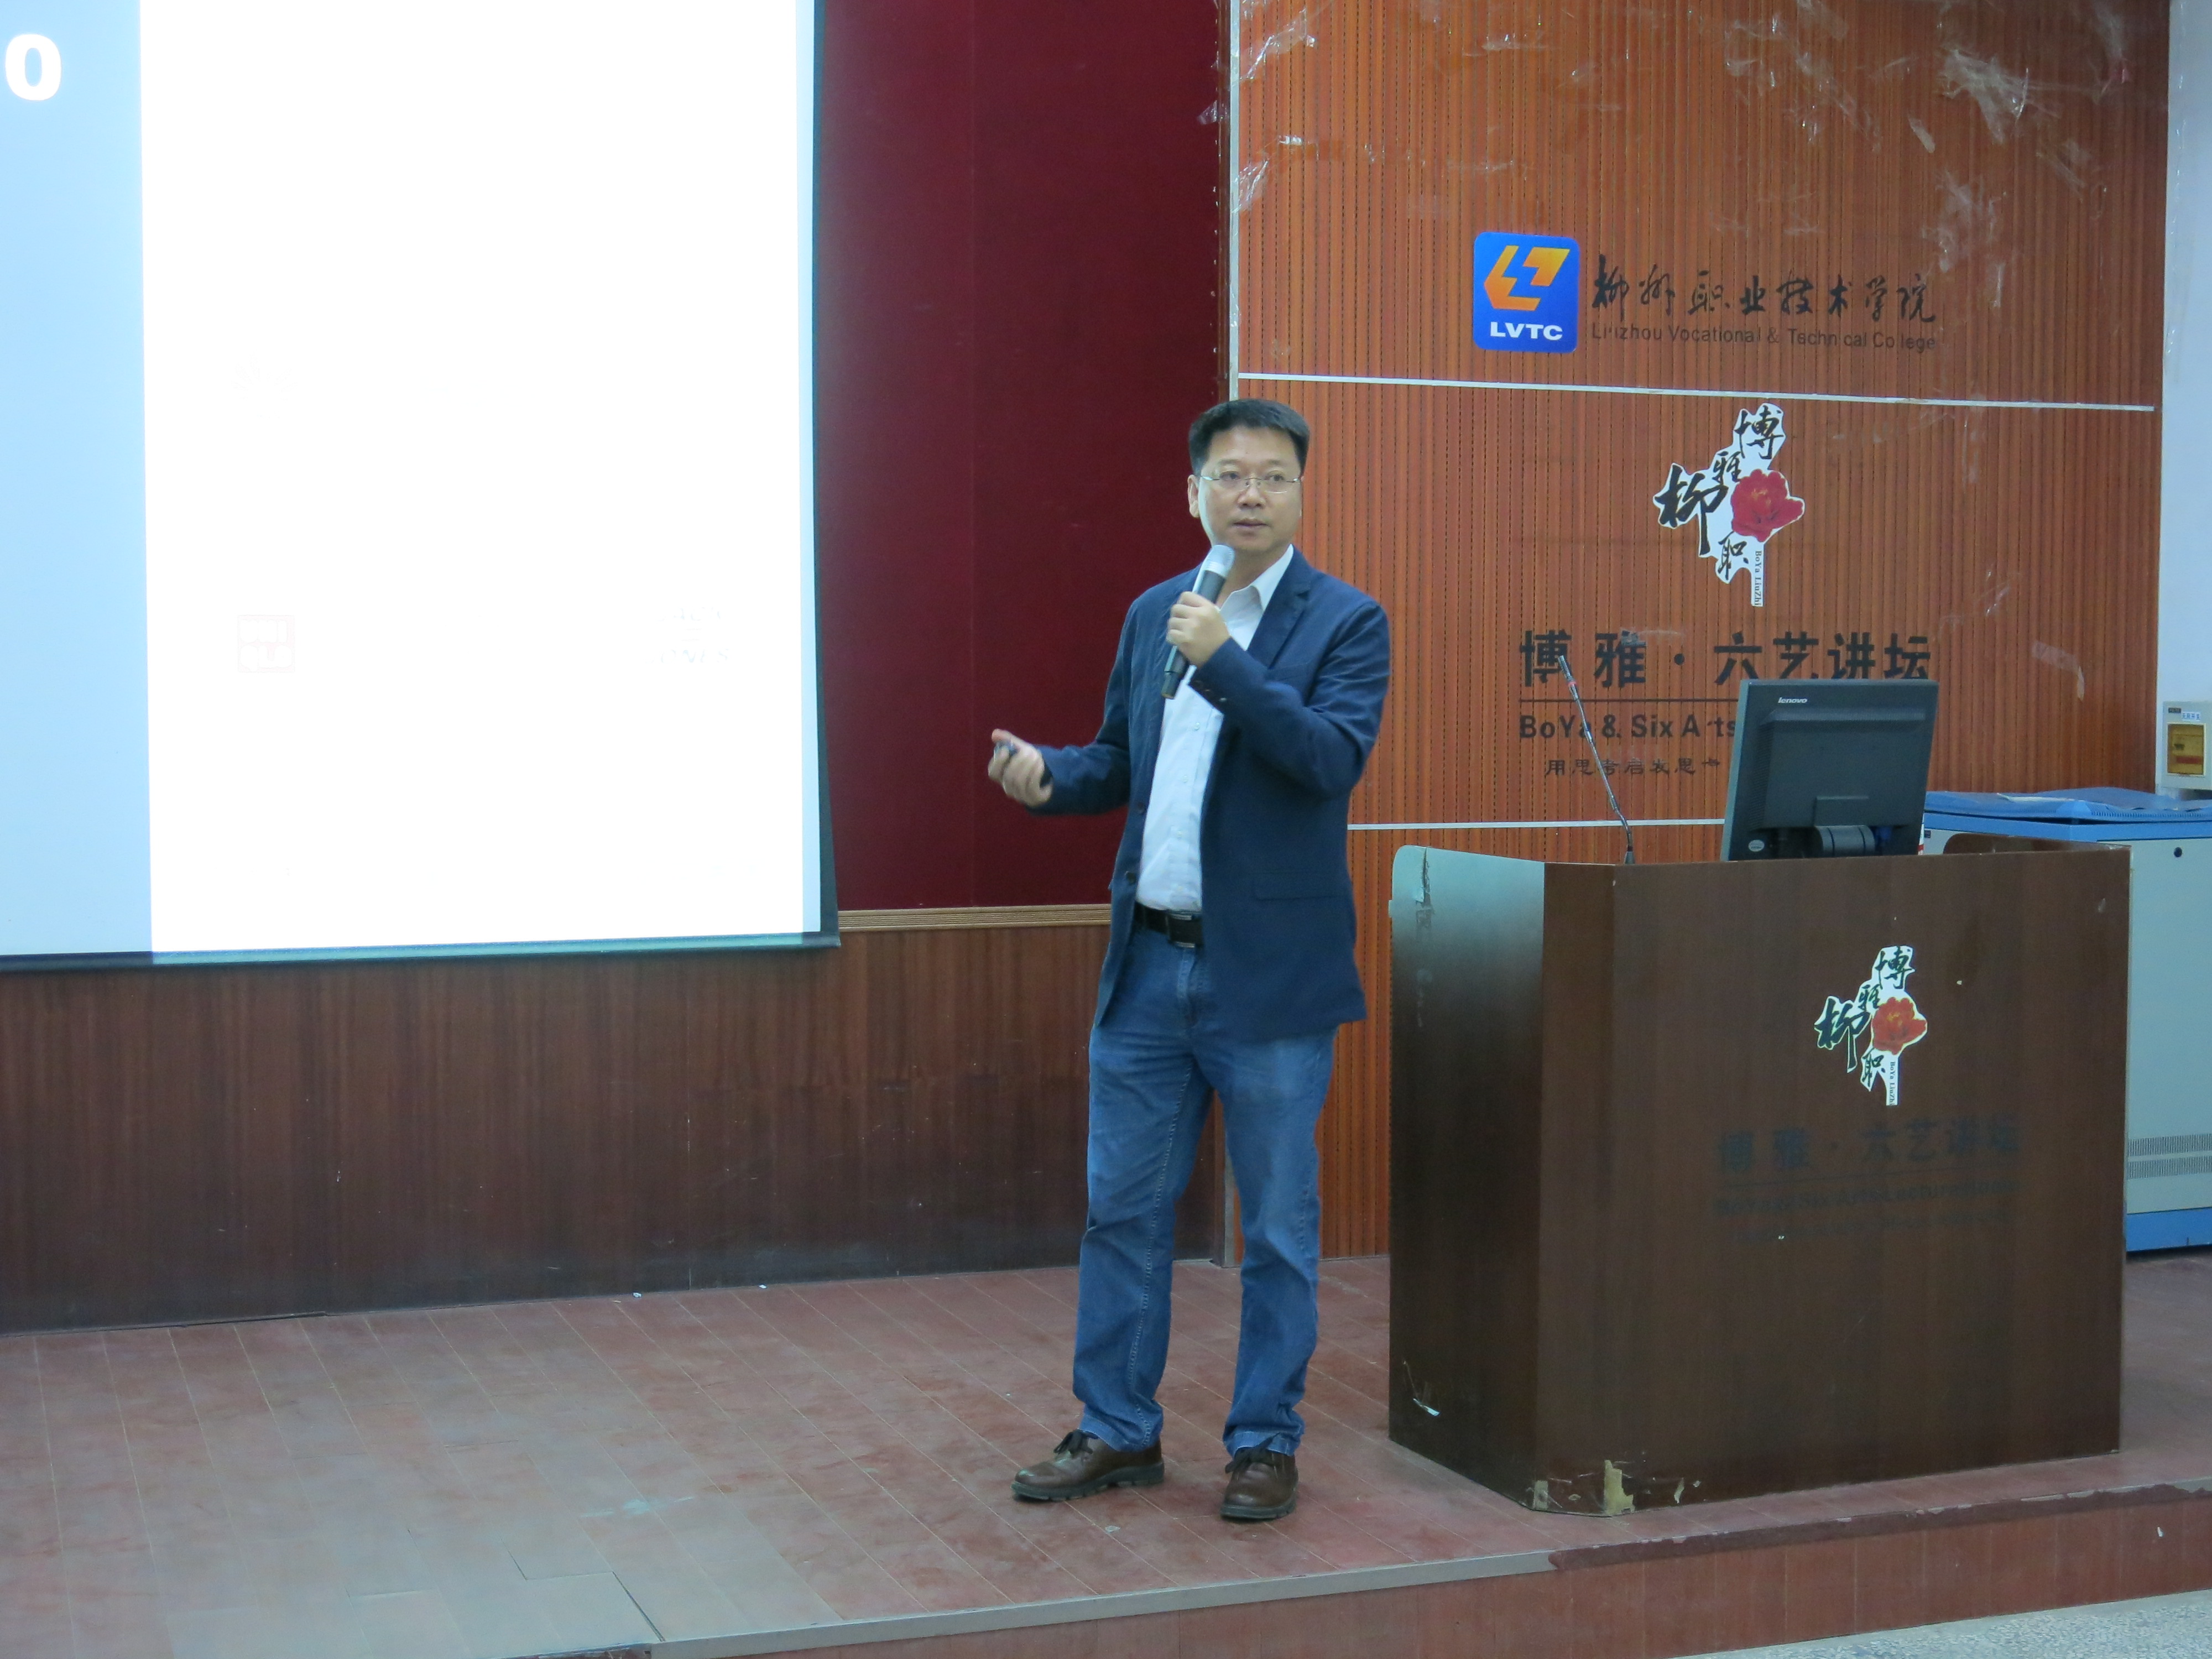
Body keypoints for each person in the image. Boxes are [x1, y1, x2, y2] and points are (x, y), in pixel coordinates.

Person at [985, 398, 1390, 1522]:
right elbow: (1123, 758)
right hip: (1150, 970)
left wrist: (1225, 664)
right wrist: (1052, 779)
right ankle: (1117, 1428)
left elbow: (1327, 760)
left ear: (1300, 493)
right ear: (1194, 492)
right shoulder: (1155, 612)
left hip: (1270, 982)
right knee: (1120, 1212)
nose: (1250, 495)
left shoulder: (1345, 622)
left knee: (1276, 1231)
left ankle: (1263, 1442)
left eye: (1272, 477)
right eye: (1230, 476)